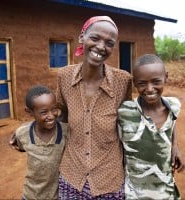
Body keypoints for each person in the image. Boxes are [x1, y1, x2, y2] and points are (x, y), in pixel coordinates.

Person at [56, 16, 132, 199]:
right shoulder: (64, 76)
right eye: (95, 38)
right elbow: (59, 115)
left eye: (109, 43)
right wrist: (27, 132)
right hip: (71, 176)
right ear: (82, 37)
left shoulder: (123, 81)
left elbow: (134, 119)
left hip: (109, 180)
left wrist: (173, 143)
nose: (100, 47)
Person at [117, 54, 185, 199]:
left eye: (156, 81)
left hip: (165, 189)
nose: (149, 89)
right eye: (142, 83)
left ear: (166, 77)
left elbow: (172, 124)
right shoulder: (125, 112)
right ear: (134, 82)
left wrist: (175, 145)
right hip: (134, 193)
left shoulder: (174, 106)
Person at [9, 85, 68, 200]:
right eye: (43, 112)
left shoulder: (66, 131)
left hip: (57, 196)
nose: (51, 116)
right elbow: (20, 146)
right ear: (29, 112)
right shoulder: (22, 134)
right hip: (31, 195)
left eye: (54, 109)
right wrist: (19, 132)